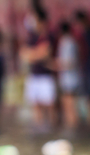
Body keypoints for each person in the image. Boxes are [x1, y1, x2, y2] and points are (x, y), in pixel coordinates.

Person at [21, 7, 56, 135]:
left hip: (46, 76)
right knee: (35, 106)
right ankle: (39, 131)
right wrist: (35, 54)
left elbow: (44, 53)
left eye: (34, 19)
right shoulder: (32, 37)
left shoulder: (49, 36)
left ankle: (51, 131)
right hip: (34, 76)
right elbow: (24, 55)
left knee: (49, 106)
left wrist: (33, 54)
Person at [56, 20, 81, 135]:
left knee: (70, 106)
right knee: (68, 105)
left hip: (70, 79)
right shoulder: (69, 42)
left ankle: (73, 129)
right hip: (68, 78)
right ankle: (72, 129)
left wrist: (56, 64)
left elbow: (70, 62)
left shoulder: (67, 43)